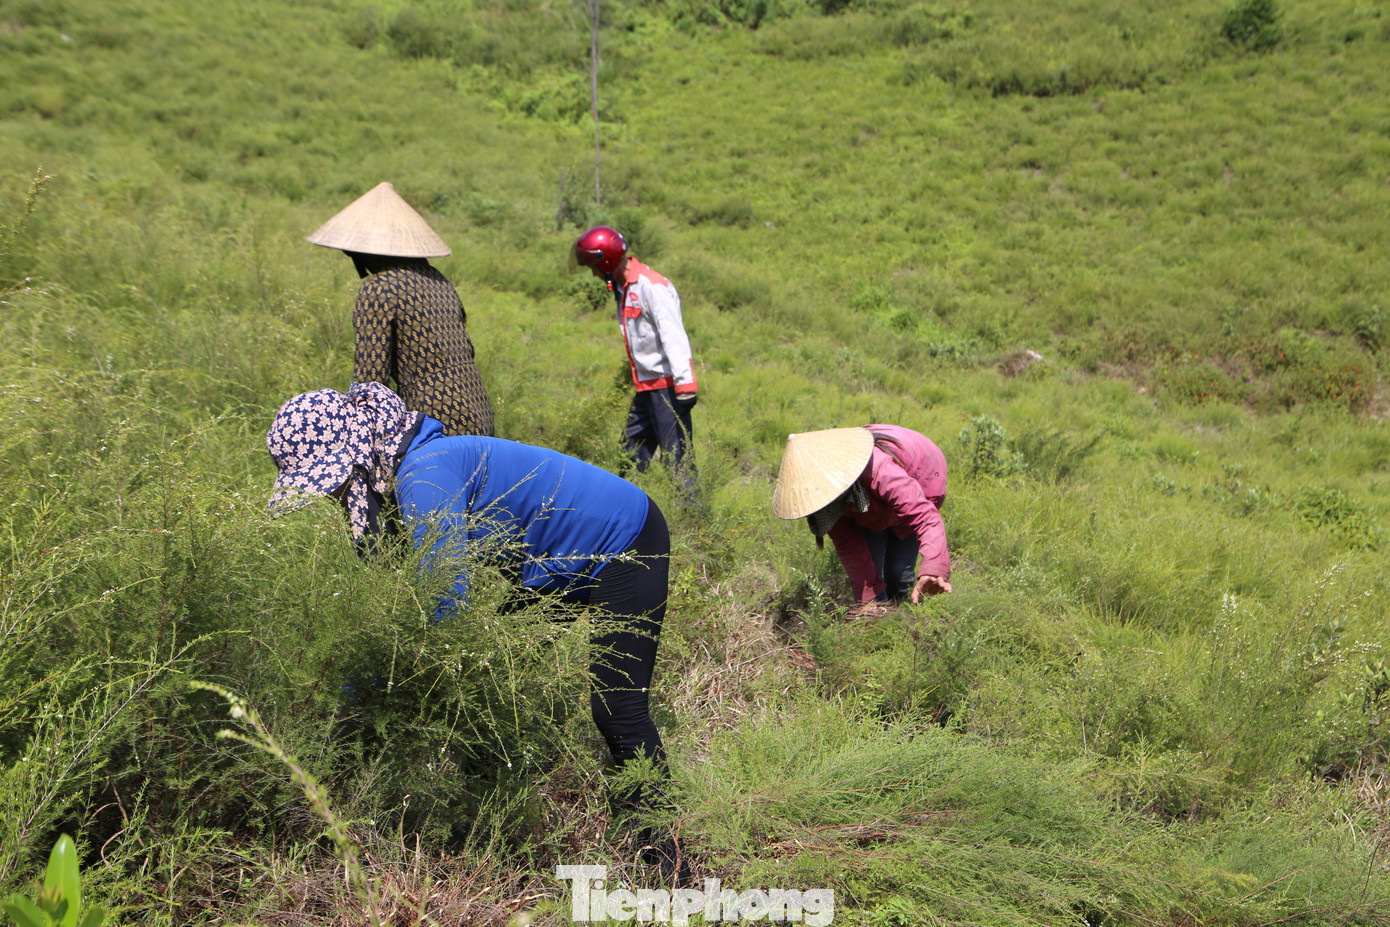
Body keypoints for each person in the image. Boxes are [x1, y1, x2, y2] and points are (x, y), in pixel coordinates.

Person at [266, 382, 679, 873]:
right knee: (502, 677)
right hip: (555, 562)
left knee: (618, 709)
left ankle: (667, 861)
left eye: (329, 481)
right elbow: (399, 607)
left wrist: (367, 692)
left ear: (354, 454)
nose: (332, 495)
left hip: (626, 540)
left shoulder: (423, 474)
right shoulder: (404, 473)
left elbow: (446, 608)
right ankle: (498, 819)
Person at [308, 182, 494, 437]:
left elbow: (371, 381)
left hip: (435, 418)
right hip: (479, 407)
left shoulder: (379, 289)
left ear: (359, 252)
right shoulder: (438, 281)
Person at [772, 425, 952, 617]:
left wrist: (933, 568)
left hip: (921, 475)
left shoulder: (880, 470)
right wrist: (869, 603)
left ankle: (906, 609)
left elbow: (925, 517)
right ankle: (887, 621)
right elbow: (851, 549)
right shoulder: (825, 498)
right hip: (869, 508)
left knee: (899, 572)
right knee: (871, 579)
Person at [570, 226, 697, 487]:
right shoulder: (623, 288)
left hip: (667, 389)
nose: (593, 273)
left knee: (677, 462)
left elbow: (673, 335)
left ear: (605, 260)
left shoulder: (652, 286)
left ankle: (692, 521)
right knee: (629, 457)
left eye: (594, 266)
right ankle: (620, 514)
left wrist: (685, 385)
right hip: (645, 388)